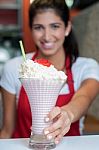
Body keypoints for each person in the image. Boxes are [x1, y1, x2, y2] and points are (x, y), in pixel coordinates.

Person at [0, 0, 99, 145]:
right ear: (31, 30)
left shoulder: (85, 67)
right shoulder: (16, 68)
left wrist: (67, 114)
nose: (46, 36)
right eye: (39, 27)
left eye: (55, 26)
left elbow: (84, 97)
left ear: (67, 28)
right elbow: (7, 130)